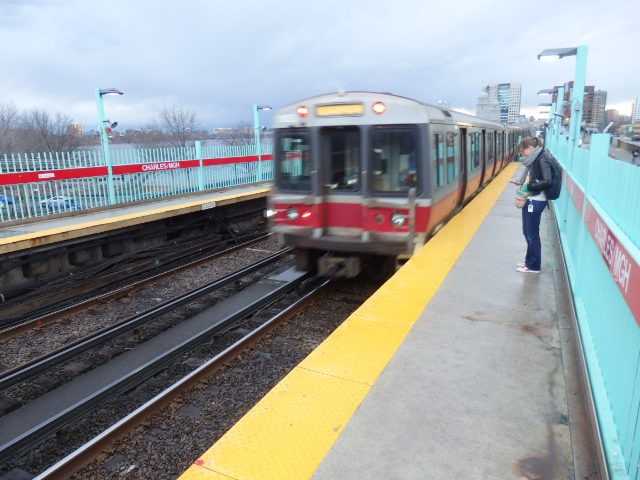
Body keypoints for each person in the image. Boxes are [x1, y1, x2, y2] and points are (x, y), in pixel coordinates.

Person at [511, 137, 554, 273]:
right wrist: (521, 183)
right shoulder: (536, 159)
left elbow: (547, 181)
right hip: (532, 199)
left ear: (530, 148)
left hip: (537, 200)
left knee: (532, 234)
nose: (523, 156)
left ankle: (533, 266)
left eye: (523, 152)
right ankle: (529, 262)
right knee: (527, 232)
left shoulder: (542, 158)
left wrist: (529, 185)